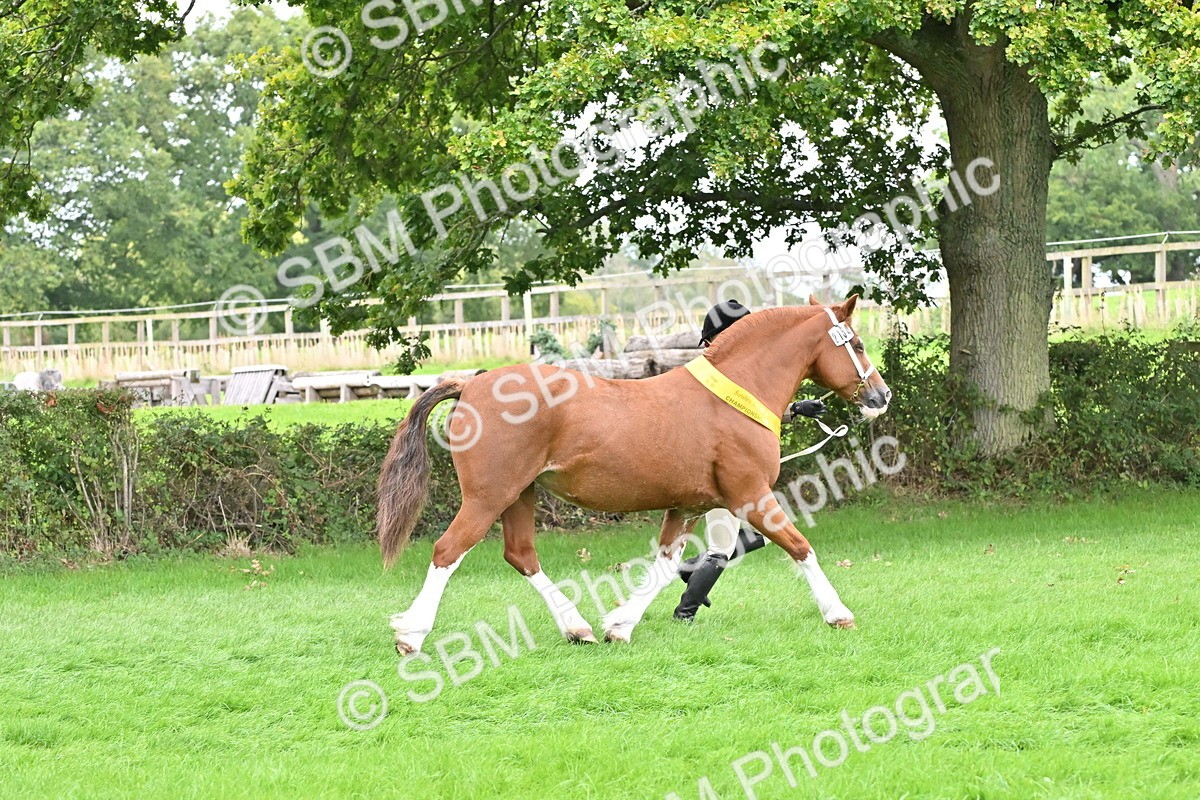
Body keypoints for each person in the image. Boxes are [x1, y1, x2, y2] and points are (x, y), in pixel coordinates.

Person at [673, 299, 827, 622]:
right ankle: (684, 613)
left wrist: (796, 409)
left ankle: (690, 569)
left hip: (729, 471)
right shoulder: (714, 373)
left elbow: (754, 411)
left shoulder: (734, 371)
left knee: (759, 534)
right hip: (715, 472)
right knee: (722, 548)